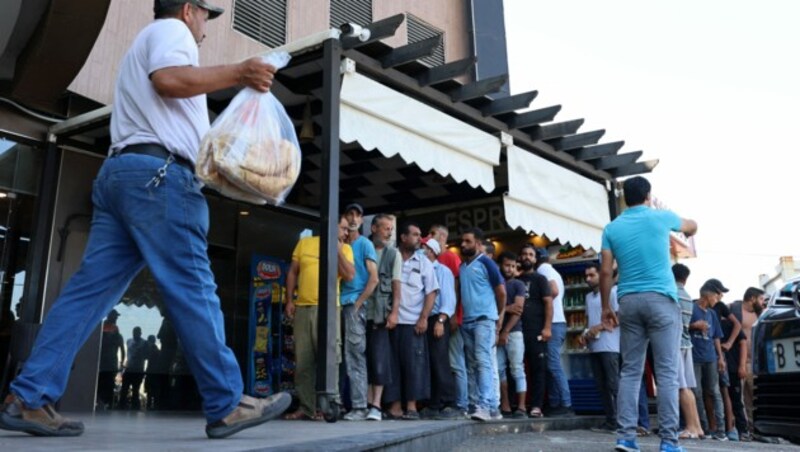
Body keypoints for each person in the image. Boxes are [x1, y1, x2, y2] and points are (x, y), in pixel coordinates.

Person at [0, 0, 292, 438]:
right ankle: (227, 402)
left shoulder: (145, 44)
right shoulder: (171, 32)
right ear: (189, 9)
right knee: (193, 287)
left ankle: (28, 396)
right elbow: (170, 81)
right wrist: (239, 72)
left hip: (126, 175)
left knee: (88, 295)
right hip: (160, 180)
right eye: (206, 17)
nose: (206, 30)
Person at [600, 176, 698, 452]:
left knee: (630, 371)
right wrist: (690, 230)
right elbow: (691, 225)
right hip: (662, 301)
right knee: (667, 372)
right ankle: (668, 441)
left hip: (628, 301)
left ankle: (626, 438)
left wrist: (607, 308)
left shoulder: (611, 228)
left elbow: (606, 271)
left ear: (624, 199)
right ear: (648, 196)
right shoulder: (660, 217)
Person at [284, 215, 355, 421]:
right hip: (303, 307)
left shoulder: (346, 249)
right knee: (303, 359)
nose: (345, 233)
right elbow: (292, 273)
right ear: (332, 227)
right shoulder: (305, 243)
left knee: (331, 357)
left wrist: (338, 250)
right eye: (342, 229)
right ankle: (306, 407)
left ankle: (329, 406)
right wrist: (290, 300)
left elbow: (350, 275)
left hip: (330, 308)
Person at [383, 222, 438, 420]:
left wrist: (424, 318)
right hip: (391, 321)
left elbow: (431, 292)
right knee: (393, 365)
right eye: (414, 235)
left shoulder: (423, 262)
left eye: (419, 235)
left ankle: (412, 408)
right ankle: (396, 407)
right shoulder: (391, 256)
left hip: (413, 322)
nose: (418, 239)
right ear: (403, 237)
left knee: (415, 366)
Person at [459, 228, 506, 421]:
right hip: (468, 320)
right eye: (462, 241)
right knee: (473, 364)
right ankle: (489, 407)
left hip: (484, 319)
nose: (463, 244)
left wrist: (498, 316)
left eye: (468, 241)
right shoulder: (463, 266)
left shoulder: (487, 263)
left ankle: (485, 406)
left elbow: (501, 292)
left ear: (478, 244)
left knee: (483, 361)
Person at [340, 203, 378, 421]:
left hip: (354, 304)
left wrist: (357, 304)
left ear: (362, 220)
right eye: (349, 214)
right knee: (336, 355)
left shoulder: (365, 244)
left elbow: (373, 279)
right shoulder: (340, 243)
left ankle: (359, 406)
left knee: (355, 355)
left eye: (357, 215)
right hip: (337, 302)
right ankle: (341, 403)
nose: (353, 218)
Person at [364, 214, 401, 421]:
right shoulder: (362, 247)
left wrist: (394, 312)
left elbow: (397, 285)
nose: (389, 233)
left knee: (379, 359)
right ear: (374, 228)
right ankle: (366, 403)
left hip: (380, 314)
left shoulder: (393, 254)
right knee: (362, 359)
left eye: (390, 229)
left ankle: (376, 405)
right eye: (386, 228)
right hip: (361, 313)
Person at [419, 238, 460, 419]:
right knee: (428, 362)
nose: (421, 251)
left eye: (424, 248)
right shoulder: (421, 269)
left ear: (432, 252)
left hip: (437, 318)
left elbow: (449, 298)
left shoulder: (443, 271)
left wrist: (441, 320)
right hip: (423, 319)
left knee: (440, 360)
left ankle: (449, 402)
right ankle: (434, 403)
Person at [428, 225, 467, 415]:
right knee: (432, 360)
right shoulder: (425, 268)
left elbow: (453, 292)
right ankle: (436, 402)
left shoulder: (447, 262)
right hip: (427, 318)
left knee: (444, 360)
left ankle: (451, 402)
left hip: (442, 317)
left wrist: (447, 318)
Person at [580, 263, 620, 433]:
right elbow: (588, 319)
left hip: (610, 346)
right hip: (594, 346)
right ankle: (611, 421)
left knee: (613, 385)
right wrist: (585, 334)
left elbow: (619, 317)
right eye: (586, 276)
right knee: (602, 386)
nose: (588, 279)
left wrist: (600, 327)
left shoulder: (613, 292)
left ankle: (621, 422)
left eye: (591, 275)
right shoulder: (589, 297)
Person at [513, 244, 552, 419]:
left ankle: (537, 405)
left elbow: (548, 303)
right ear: (520, 258)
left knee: (538, 369)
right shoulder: (516, 280)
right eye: (524, 254)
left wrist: (547, 327)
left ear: (535, 259)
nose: (527, 257)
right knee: (517, 368)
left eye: (531, 254)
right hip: (517, 331)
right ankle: (519, 405)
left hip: (536, 330)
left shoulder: (541, 279)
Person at [706, 279, 746, 441]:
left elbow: (738, 326)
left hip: (720, 353)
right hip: (706, 351)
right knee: (708, 391)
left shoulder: (720, 307)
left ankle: (730, 428)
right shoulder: (701, 305)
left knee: (724, 390)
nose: (721, 295)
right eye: (719, 292)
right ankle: (712, 427)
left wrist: (728, 343)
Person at [535, 247, 572, 417]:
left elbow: (554, 291)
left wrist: (541, 302)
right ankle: (556, 402)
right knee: (551, 365)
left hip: (554, 322)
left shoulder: (543, 270)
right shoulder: (553, 270)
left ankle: (565, 403)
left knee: (553, 365)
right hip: (558, 322)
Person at [689, 280, 727, 441]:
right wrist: (694, 326)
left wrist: (720, 357)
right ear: (708, 295)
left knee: (714, 391)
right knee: (696, 392)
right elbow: (679, 326)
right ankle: (702, 428)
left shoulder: (712, 314)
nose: (719, 299)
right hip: (694, 356)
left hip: (710, 357)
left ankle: (721, 430)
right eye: (717, 296)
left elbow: (716, 336)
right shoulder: (691, 308)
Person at [671, 264, 704, 440]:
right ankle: (697, 427)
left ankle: (690, 427)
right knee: (687, 387)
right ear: (685, 278)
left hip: (675, 344)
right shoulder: (687, 296)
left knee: (681, 387)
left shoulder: (672, 294)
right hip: (687, 344)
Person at [495, 252, 528, 419]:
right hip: (496, 332)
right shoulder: (495, 283)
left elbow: (519, 310)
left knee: (517, 369)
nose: (510, 269)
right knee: (499, 369)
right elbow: (505, 308)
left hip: (514, 332)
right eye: (507, 265)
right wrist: (507, 308)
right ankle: (506, 405)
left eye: (514, 266)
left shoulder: (518, 284)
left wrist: (505, 331)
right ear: (500, 265)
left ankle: (521, 407)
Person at [730, 287, 764, 440]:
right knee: (741, 399)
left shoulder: (761, 313)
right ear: (752, 298)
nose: (763, 302)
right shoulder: (734, 309)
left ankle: (757, 429)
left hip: (758, 363)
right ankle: (746, 429)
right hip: (740, 362)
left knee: (757, 398)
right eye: (761, 299)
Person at [97, 309, 125, 409]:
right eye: (115, 316)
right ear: (110, 316)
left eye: (117, 316)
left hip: (111, 363)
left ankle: (107, 403)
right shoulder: (102, 328)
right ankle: (99, 401)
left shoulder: (116, 331)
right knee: (100, 382)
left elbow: (122, 349)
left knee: (109, 384)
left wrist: (122, 363)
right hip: (102, 362)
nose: (116, 318)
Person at [121, 327, 148, 410]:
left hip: (138, 370)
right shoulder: (129, 341)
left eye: (137, 332)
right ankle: (122, 405)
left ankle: (134, 406)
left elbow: (146, 356)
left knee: (135, 390)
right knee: (125, 388)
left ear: (140, 333)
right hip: (129, 368)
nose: (136, 334)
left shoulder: (144, 343)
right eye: (135, 332)